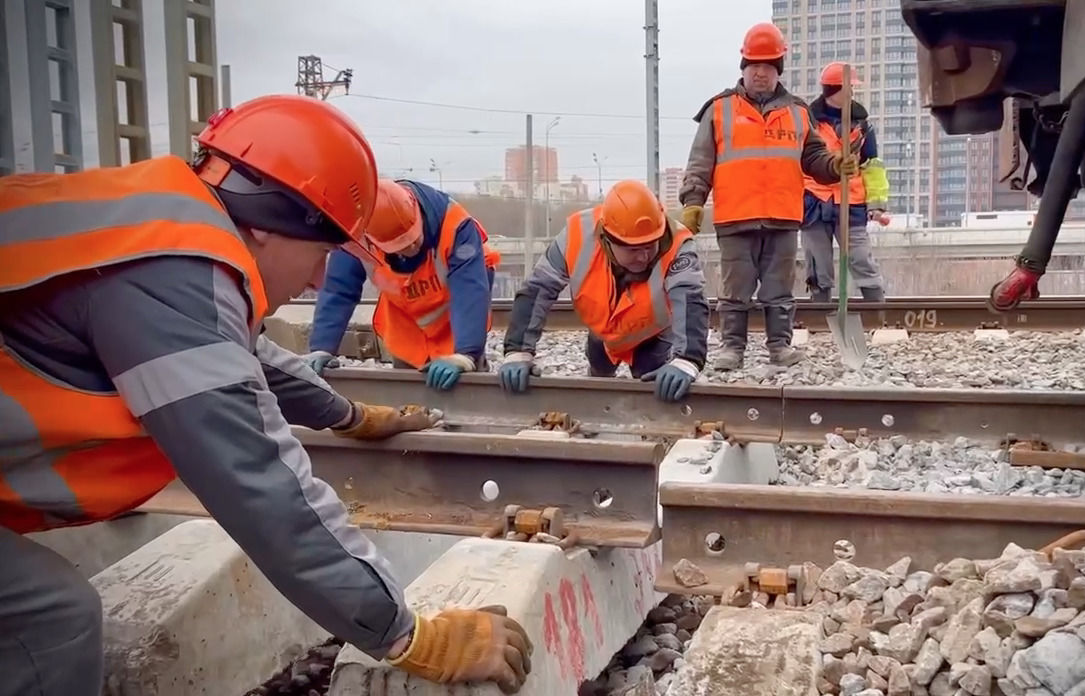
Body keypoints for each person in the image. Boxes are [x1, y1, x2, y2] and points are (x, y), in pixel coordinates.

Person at [0, 94, 531, 695]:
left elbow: (247, 358)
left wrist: (350, 416)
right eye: (321, 253)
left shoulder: (160, 236)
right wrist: (407, 635)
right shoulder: (173, 279)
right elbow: (254, 476)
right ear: (266, 221)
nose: (316, 279)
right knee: (50, 621)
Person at [679, 21, 858, 372]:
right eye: (754, 66)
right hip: (735, 217)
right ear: (743, 68)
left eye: (767, 66)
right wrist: (693, 202)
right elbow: (700, 161)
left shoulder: (798, 111)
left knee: (779, 290)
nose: (760, 73)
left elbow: (814, 159)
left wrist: (835, 165)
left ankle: (780, 347)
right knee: (735, 291)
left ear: (778, 70)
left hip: (782, 216)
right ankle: (732, 348)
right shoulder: (718, 110)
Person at [499, 180, 708, 403]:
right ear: (607, 240)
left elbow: (690, 298)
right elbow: (538, 289)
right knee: (598, 373)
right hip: (602, 332)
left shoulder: (679, 244)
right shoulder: (576, 236)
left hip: (652, 335)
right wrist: (518, 351)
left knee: (654, 387)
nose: (643, 257)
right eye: (633, 249)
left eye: (649, 247)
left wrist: (686, 360)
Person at [302, 178, 500, 392]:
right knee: (409, 397)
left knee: (463, 382)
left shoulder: (456, 226)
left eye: (412, 240)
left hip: (455, 322)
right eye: (400, 246)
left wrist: (466, 354)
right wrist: (322, 347)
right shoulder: (356, 236)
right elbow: (338, 290)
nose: (411, 247)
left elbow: (470, 292)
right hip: (406, 322)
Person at [802, 61, 890, 302]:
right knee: (817, 262)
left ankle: (877, 310)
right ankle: (820, 314)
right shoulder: (808, 123)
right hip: (813, 204)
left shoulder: (862, 126)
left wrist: (876, 205)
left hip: (851, 204)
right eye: (849, 87)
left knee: (861, 258)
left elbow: (872, 166)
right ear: (834, 89)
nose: (852, 92)